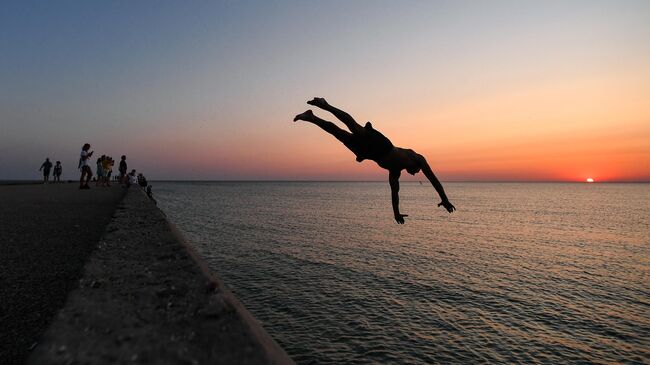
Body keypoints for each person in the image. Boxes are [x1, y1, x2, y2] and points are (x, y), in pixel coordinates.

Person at [294, 97, 456, 224]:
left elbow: (395, 193)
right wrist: (445, 199)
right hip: (383, 145)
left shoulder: (394, 172)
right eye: (417, 172)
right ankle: (325, 104)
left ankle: (311, 118)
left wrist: (396, 213)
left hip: (369, 153)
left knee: (338, 133)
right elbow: (434, 180)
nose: (415, 174)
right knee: (353, 126)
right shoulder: (417, 158)